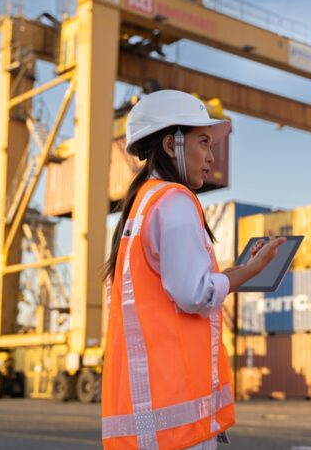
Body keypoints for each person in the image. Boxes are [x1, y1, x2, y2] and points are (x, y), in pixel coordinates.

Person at [101, 90, 285, 450]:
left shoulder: (141, 204)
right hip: (176, 413)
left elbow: (174, 290)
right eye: (204, 142)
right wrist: (252, 270)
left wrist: (241, 268)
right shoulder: (174, 200)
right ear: (172, 144)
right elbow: (194, 294)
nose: (211, 155)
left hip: (149, 411)